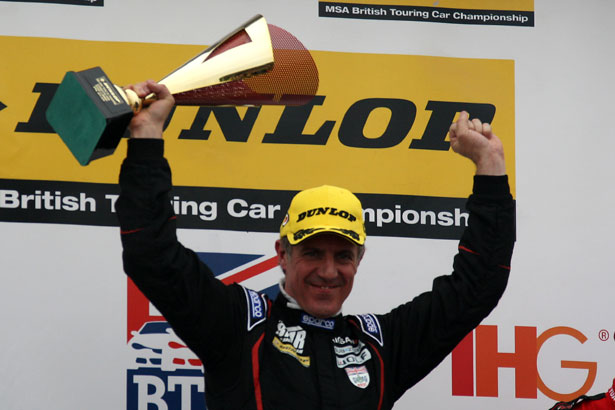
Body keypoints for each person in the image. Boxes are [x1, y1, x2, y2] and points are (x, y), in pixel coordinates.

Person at [116, 80, 515, 410]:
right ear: (282, 256)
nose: (328, 271)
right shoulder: (239, 325)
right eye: (311, 252)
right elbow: (152, 255)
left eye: (342, 255)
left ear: (359, 259)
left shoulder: (381, 345)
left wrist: (490, 165)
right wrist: (147, 137)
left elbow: (477, 286)